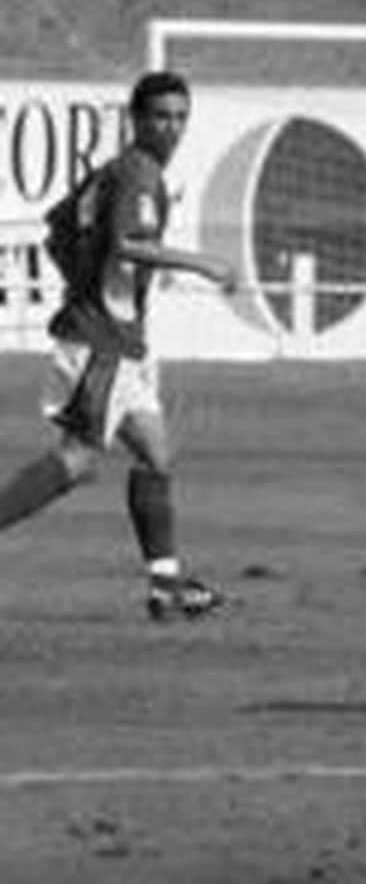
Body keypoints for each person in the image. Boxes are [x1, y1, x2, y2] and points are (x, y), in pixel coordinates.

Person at [0, 70, 238, 621]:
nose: (172, 126)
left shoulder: (113, 172)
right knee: (77, 461)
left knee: (157, 454)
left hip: (116, 342)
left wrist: (83, 280)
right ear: (136, 119)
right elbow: (130, 244)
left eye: (180, 116)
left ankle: (165, 585)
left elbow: (56, 229)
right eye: (160, 116)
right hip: (101, 342)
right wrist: (203, 263)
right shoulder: (138, 174)